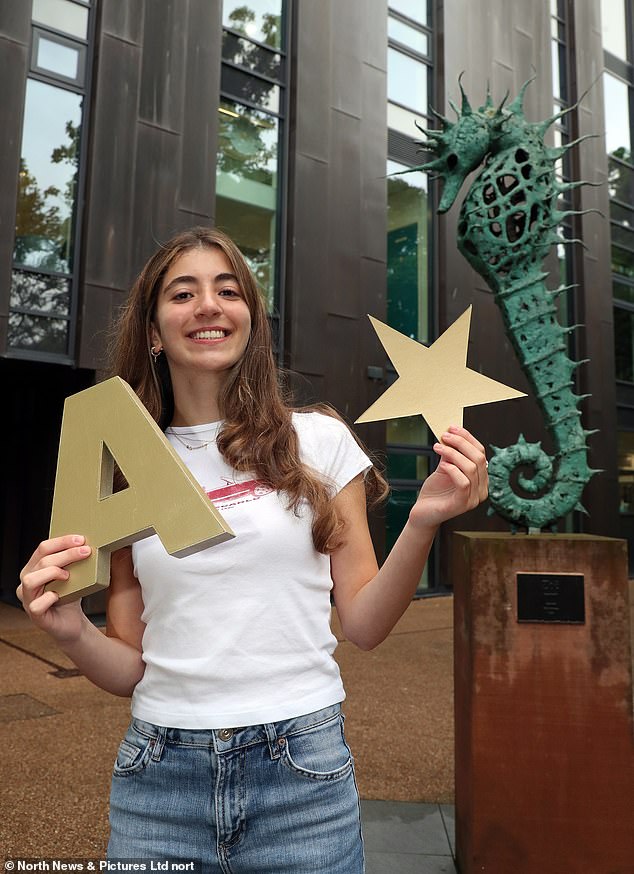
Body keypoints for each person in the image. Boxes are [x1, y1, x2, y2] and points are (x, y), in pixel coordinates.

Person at [18, 226, 488, 873]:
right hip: (158, 778)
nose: (208, 304)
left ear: (249, 320)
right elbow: (131, 668)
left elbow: (365, 624)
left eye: (227, 289)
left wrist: (424, 522)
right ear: (154, 331)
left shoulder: (317, 440)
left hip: (301, 771)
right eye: (183, 293)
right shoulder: (124, 466)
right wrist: (71, 632)